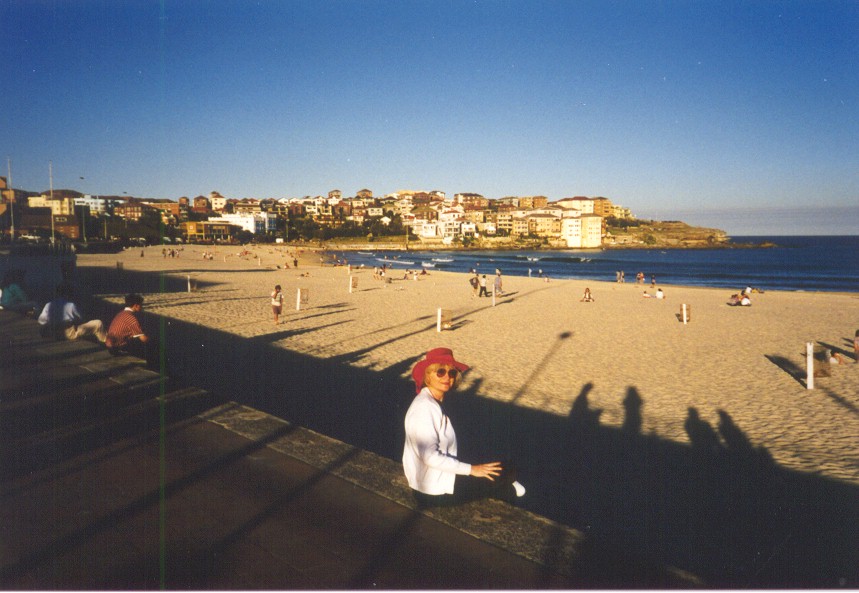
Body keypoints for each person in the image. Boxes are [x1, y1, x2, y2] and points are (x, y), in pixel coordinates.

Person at [403, 348, 525, 507]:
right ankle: (509, 493)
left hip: (430, 482)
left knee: (494, 468)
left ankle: (507, 489)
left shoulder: (431, 402)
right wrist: (473, 470)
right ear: (427, 376)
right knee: (506, 470)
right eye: (440, 372)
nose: (447, 377)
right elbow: (429, 456)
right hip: (434, 491)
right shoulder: (425, 408)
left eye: (452, 373)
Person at [37, 283, 106, 342]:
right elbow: (81, 318)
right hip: (68, 334)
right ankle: (107, 343)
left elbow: (41, 321)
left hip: (53, 333)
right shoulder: (71, 305)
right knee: (98, 324)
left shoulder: (48, 304)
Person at [106, 293, 149, 360]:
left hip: (109, 345)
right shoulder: (131, 318)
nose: (142, 307)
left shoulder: (121, 313)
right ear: (136, 305)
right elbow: (144, 339)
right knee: (146, 343)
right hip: (116, 348)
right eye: (141, 305)